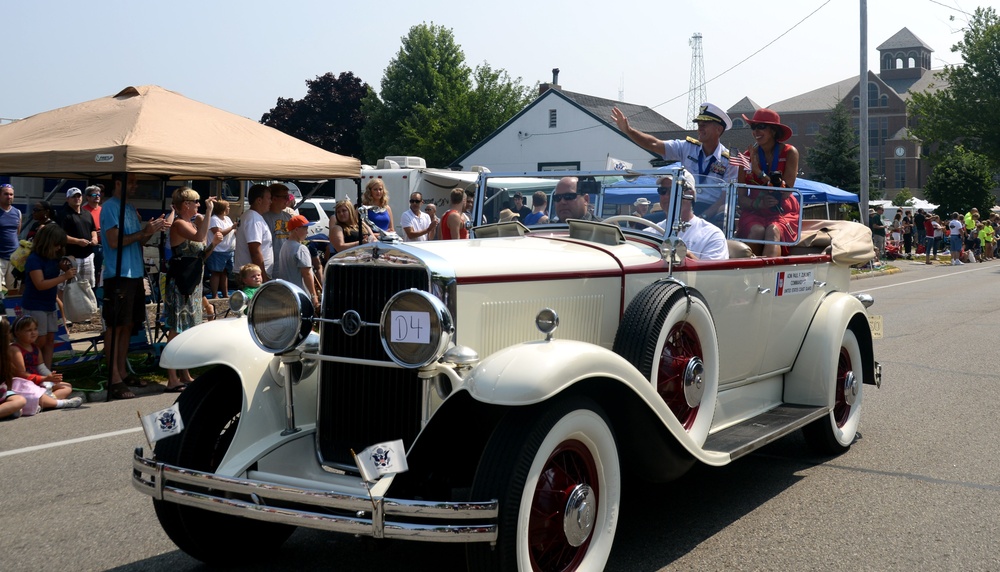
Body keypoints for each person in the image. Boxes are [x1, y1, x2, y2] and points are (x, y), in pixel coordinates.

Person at [101, 173, 169, 399]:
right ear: (118, 183)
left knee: (127, 325)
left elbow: (139, 240)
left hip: (134, 272)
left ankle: (122, 371)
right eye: (131, 182)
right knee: (115, 326)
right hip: (118, 273)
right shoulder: (110, 207)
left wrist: (150, 231)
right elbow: (113, 240)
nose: (135, 186)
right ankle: (114, 378)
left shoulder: (129, 207)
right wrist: (143, 232)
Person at [612, 102, 738, 215]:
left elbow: (724, 197)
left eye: (704, 125)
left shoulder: (730, 160)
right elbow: (654, 144)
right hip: (683, 206)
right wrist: (628, 131)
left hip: (711, 212)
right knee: (646, 224)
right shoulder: (687, 147)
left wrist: (703, 217)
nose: (699, 128)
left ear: (719, 129)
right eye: (699, 124)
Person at [163, 187, 220, 392]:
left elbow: (201, 254)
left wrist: (213, 244)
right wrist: (209, 213)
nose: (198, 204)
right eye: (196, 201)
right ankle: (171, 377)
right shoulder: (179, 224)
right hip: (181, 283)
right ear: (185, 204)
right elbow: (199, 237)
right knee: (176, 328)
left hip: (193, 281)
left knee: (188, 329)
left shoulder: (190, 223)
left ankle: (185, 373)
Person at [735, 109, 801, 257]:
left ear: (773, 130)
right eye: (754, 127)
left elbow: (786, 193)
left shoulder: (790, 152)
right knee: (756, 230)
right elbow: (742, 198)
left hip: (782, 209)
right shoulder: (746, 157)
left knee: (773, 230)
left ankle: (770, 278)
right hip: (754, 210)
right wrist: (758, 204)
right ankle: (748, 276)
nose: (756, 131)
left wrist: (759, 173)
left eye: (761, 127)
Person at [22, 224, 76, 369]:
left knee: (50, 339)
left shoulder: (53, 257)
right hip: (34, 305)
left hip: (49, 304)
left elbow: (58, 265)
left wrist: (64, 266)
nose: (59, 248)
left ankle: (47, 370)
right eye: (56, 245)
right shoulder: (34, 259)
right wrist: (64, 276)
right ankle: (34, 370)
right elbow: (40, 284)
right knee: (39, 339)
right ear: (47, 242)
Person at [645, 172, 729, 260]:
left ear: (691, 194)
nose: (667, 196)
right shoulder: (649, 234)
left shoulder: (711, 235)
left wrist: (683, 255)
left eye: (675, 190)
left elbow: (710, 272)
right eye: (662, 191)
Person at [8, 315, 81, 411]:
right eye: (28, 330)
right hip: (23, 384)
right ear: (17, 333)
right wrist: (44, 378)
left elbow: (41, 367)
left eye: (35, 329)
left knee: (66, 387)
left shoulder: (35, 348)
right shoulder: (15, 349)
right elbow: (21, 374)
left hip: (38, 381)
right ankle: (57, 403)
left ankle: (44, 403)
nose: (33, 333)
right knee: (36, 393)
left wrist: (51, 378)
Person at [57, 187, 98, 289]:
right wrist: (77, 241)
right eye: (73, 197)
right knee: (67, 287)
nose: (77, 199)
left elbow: (93, 229)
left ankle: (85, 305)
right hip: (71, 258)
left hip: (88, 256)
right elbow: (60, 236)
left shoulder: (87, 213)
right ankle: (64, 305)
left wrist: (94, 238)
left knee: (88, 286)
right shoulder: (63, 214)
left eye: (78, 196)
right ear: (67, 199)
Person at [276, 215, 320, 310]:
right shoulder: (301, 248)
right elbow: (307, 274)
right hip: (300, 295)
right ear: (296, 229)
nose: (307, 232)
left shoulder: (285, 245)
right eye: (305, 229)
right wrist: (314, 296)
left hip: (287, 294)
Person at [234, 184, 273, 283]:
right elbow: (255, 250)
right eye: (268, 198)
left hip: (253, 275)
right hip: (252, 277)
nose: (271, 202)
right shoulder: (253, 219)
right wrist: (262, 277)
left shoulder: (254, 216)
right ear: (259, 200)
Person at [207, 199, 236, 298]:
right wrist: (232, 227)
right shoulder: (214, 219)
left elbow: (231, 231)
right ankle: (215, 295)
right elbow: (219, 233)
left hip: (228, 250)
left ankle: (225, 294)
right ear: (222, 208)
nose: (229, 208)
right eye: (227, 206)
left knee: (225, 273)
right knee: (216, 273)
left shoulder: (227, 219)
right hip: (218, 251)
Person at [0, 183, 22, 304]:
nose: (9, 197)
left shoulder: (17, 212)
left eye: (11, 194)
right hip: (0, 256)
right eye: (6, 194)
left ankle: (11, 314)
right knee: (0, 288)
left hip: (14, 258)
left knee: (13, 288)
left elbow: (17, 232)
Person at [263, 183, 294, 263]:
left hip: (286, 262)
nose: (288, 200)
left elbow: (292, 239)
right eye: (285, 197)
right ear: (274, 198)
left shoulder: (288, 216)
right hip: (270, 263)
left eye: (288, 197)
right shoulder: (263, 218)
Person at [83, 185, 103, 286]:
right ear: (88, 197)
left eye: (99, 194)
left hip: (103, 245)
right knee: (90, 273)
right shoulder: (83, 210)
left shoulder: (102, 210)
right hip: (89, 246)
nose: (97, 196)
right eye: (94, 195)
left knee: (100, 273)